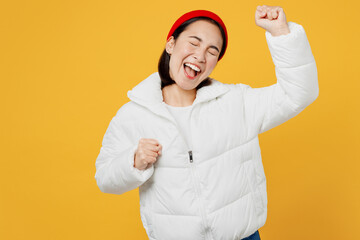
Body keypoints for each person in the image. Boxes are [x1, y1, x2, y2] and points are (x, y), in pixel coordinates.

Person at [94, 5, 319, 240]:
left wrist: (281, 33)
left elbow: (300, 93)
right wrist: (135, 161)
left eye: (212, 51)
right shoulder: (133, 114)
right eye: (194, 42)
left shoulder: (236, 103)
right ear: (171, 44)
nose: (200, 56)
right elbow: (105, 179)